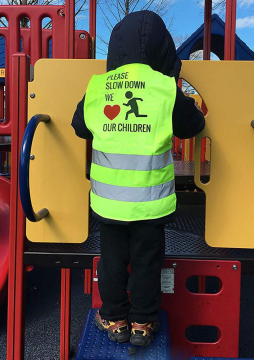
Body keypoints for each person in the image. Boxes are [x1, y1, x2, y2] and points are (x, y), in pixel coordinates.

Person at [72, 10, 205, 347]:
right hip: (150, 202)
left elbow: (78, 125)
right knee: (148, 261)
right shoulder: (163, 89)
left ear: (116, 50)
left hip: (109, 202)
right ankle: (143, 322)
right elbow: (194, 126)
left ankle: (115, 318)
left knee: (113, 259)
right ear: (163, 51)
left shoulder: (99, 88)